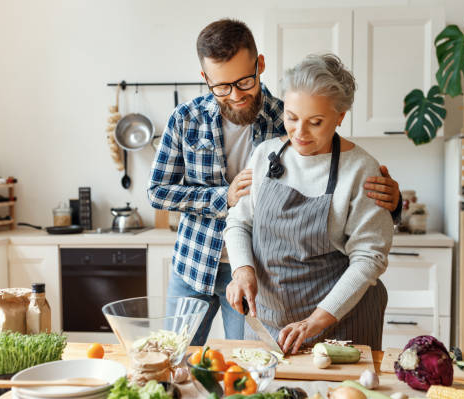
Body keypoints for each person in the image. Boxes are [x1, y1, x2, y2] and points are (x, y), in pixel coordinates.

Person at [147, 19, 400, 346]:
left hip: (268, 280)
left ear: (260, 65)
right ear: (206, 79)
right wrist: (223, 197)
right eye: (222, 86)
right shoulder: (187, 119)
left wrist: (392, 205)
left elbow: (357, 223)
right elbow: (160, 192)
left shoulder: (289, 112)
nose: (235, 95)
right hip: (198, 261)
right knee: (176, 358)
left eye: (244, 81)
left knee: (244, 363)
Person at [224, 53, 393, 353]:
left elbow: (369, 257)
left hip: (341, 325)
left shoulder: (360, 170)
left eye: (315, 122)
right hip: (270, 323)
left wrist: (315, 321)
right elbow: (239, 222)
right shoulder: (265, 155)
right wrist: (243, 271)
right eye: (291, 118)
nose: (300, 133)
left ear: (340, 117)